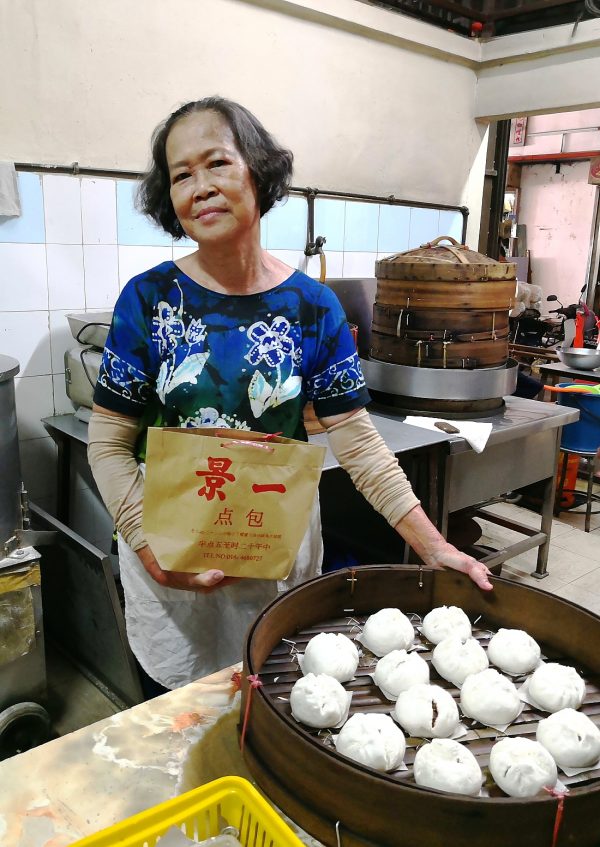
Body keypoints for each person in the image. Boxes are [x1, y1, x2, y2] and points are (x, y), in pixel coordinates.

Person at [88, 96, 492, 696]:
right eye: (180, 175)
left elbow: (357, 443)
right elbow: (109, 445)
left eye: (217, 163)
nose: (200, 187)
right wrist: (149, 550)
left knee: (273, 709)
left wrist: (433, 546)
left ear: (256, 169)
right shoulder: (148, 301)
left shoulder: (312, 308)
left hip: (268, 548)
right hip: (170, 564)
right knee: (179, 726)